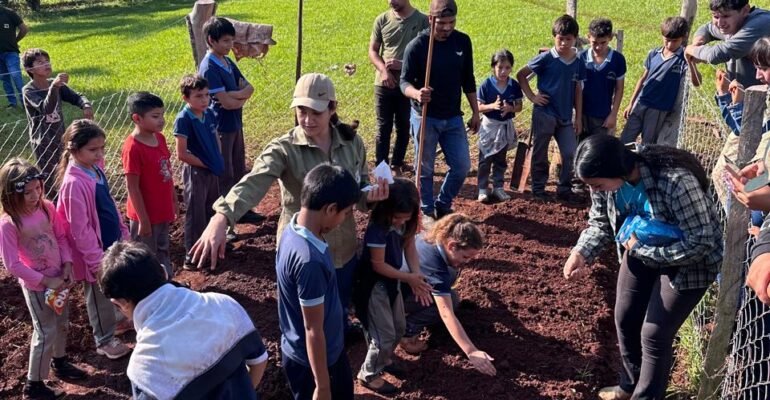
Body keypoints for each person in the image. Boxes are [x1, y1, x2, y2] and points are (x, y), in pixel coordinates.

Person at [190, 73, 387, 334]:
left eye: (315, 112)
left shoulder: (352, 143)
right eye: (301, 111)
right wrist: (221, 217)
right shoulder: (284, 149)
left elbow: (359, 186)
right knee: (304, 320)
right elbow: (253, 183)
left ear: (332, 108)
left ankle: (338, 329)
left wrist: (368, 197)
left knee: (338, 300)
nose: (307, 119)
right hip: (304, 252)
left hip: (344, 246)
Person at [564, 134, 723, 400]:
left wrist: (644, 251)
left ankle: (646, 396)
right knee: (625, 316)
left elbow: (703, 241)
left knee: (654, 333)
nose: (595, 190)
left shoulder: (674, 182)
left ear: (614, 170)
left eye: (598, 185)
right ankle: (629, 385)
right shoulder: (606, 185)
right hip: (640, 249)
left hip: (689, 260)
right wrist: (580, 252)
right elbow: (600, 222)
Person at [99, 241, 268, 400]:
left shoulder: (145, 368)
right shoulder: (223, 304)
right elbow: (259, 361)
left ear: (119, 303)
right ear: (164, 271)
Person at [0, 158, 87, 400]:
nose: (34, 195)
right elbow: (12, 264)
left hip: (60, 280)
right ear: (10, 194)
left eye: (38, 188)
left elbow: (60, 237)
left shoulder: (47, 207)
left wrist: (68, 264)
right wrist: (45, 281)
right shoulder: (9, 224)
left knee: (62, 324)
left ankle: (59, 362)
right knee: (45, 331)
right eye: (27, 192)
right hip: (39, 288)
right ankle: (34, 384)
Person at [275, 163, 359, 400]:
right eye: (345, 213)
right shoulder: (309, 261)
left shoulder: (292, 228)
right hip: (315, 363)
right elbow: (313, 329)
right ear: (331, 209)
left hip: (317, 350)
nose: (343, 220)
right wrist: (322, 386)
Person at [55, 119, 131, 359]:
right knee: (98, 295)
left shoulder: (95, 169)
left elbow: (108, 204)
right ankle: (104, 340)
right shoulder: (74, 183)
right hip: (93, 252)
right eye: (93, 149)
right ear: (74, 149)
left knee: (114, 284)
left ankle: (118, 320)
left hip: (111, 241)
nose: (99, 154)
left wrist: (122, 230)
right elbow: (80, 230)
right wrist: (94, 260)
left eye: (102, 148)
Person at [400, 0, 479, 220]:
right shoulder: (417, 46)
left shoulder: (462, 42)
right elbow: (403, 82)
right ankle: (426, 210)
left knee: (462, 165)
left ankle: (443, 204)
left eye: (451, 22)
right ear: (430, 19)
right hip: (425, 116)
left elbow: (468, 80)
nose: (447, 28)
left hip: (453, 116)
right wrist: (417, 94)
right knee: (424, 168)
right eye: (441, 23)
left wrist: (475, 111)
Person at [353, 178, 432, 394]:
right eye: (397, 218)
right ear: (387, 210)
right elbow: (378, 265)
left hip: (392, 282)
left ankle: (385, 358)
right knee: (384, 334)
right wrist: (409, 278)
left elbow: (409, 246)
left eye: (405, 219)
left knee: (398, 327)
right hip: (374, 285)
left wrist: (416, 274)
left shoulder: (405, 222)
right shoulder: (378, 229)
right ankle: (368, 374)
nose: (400, 223)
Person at [400, 213, 497, 377]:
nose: (466, 262)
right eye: (465, 257)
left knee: (451, 278)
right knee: (449, 300)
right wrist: (471, 351)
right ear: (452, 245)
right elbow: (446, 313)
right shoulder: (434, 266)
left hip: (405, 281)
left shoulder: (437, 234)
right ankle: (407, 333)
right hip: (394, 296)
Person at [197, 16, 263, 228]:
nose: (230, 45)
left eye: (231, 40)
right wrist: (239, 96)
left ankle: (239, 209)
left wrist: (235, 96)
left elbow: (250, 88)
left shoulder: (226, 61)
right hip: (221, 127)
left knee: (237, 167)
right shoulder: (209, 67)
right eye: (225, 41)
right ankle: (223, 220)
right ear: (211, 40)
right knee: (224, 173)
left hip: (235, 124)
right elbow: (225, 103)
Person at [516, 14, 586, 204]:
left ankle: (564, 188)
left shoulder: (578, 61)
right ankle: (538, 189)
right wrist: (532, 97)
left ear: (575, 39)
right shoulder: (546, 58)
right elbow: (521, 75)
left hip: (565, 116)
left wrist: (578, 117)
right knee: (540, 152)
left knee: (571, 152)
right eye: (560, 38)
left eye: (568, 39)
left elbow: (578, 89)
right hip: (545, 114)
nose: (563, 43)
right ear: (554, 37)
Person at [369, 0, 429, 176]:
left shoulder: (422, 21)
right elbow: (373, 51)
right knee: (383, 128)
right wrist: (383, 72)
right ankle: (381, 168)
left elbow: (426, 56)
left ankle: (396, 164)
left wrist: (402, 65)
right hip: (383, 84)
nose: (391, 2)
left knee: (403, 126)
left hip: (408, 85)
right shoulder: (381, 20)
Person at [620, 17, 701, 146]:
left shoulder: (682, 59)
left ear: (683, 38)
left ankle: (642, 165)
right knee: (625, 140)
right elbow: (643, 78)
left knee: (648, 144)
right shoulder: (654, 53)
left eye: (674, 41)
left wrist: (690, 62)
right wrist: (631, 103)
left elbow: (697, 82)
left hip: (658, 109)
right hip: (641, 103)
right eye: (667, 40)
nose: (669, 45)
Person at [22, 48, 93, 195]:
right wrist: (54, 87)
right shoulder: (29, 90)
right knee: (48, 177)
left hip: (60, 137)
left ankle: (68, 198)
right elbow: (45, 108)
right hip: (42, 141)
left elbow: (76, 97)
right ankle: (52, 207)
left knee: (65, 170)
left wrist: (85, 105)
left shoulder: (54, 84)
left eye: (47, 61)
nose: (46, 64)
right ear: (29, 69)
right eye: (40, 62)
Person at [121, 92, 176, 278]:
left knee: (163, 249)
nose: (161, 120)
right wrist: (143, 220)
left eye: (162, 115)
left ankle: (167, 284)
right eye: (155, 116)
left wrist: (174, 199)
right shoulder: (133, 148)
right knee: (145, 257)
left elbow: (167, 172)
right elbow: (132, 187)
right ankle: (150, 292)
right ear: (137, 118)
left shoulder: (159, 138)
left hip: (162, 210)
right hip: (145, 215)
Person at [173, 74, 224, 269]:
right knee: (196, 214)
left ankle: (213, 246)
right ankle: (192, 256)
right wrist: (205, 163)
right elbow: (182, 153)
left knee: (212, 208)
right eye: (198, 96)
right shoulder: (184, 119)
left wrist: (217, 158)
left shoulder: (209, 113)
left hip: (211, 169)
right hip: (196, 171)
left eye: (206, 95)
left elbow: (216, 139)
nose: (204, 100)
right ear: (185, 98)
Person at [686, 0, 770, 88]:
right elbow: (706, 29)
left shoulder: (761, 24)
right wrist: (697, 43)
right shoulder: (733, 23)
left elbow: (718, 54)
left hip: (762, 97)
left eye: (726, 16)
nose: (720, 23)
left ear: (745, 10)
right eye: (715, 16)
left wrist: (692, 50)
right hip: (743, 96)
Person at [476, 49, 522, 204]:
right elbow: (478, 107)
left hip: (504, 127)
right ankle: (482, 189)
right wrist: (492, 106)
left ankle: (498, 187)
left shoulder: (514, 85)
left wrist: (510, 108)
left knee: (501, 159)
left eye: (507, 68)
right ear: (493, 67)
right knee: (485, 158)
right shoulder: (486, 85)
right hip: (489, 127)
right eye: (500, 67)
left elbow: (519, 106)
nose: (503, 71)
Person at [579, 18, 626, 138]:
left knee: (598, 150)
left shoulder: (618, 60)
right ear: (588, 37)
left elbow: (619, 89)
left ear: (610, 38)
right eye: (594, 42)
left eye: (603, 43)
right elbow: (575, 87)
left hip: (602, 116)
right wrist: (577, 116)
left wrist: (613, 114)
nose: (598, 47)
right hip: (580, 113)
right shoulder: (580, 58)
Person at [0, 4, 27, 108]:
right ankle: (12, 103)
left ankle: (25, 102)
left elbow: (24, 29)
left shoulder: (9, 13)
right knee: (4, 78)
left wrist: (15, 41)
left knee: (16, 76)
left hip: (11, 52)